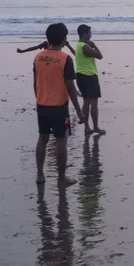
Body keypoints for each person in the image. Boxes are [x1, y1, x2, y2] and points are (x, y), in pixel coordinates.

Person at [34, 23, 84, 186]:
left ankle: (40, 174)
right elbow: (70, 86)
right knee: (61, 140)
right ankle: (61, 178)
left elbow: (35, 83)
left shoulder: (38, 57)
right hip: (59, 107)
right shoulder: (65, 59)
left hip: (42, 104)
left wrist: (39, 98)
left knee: (43, 139)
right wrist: (79, 111)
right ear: (63, 39)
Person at [75, 24, 106, 135]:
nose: (91, 35)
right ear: (85, 34)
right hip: (89, 75)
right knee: (93, 103)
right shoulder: (85, 46)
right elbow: (99, 56)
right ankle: (96, 127)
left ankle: (87, 127)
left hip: (80, 75)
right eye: (90, 33)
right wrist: (94, 45)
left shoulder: (78, 45)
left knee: (86, 102)